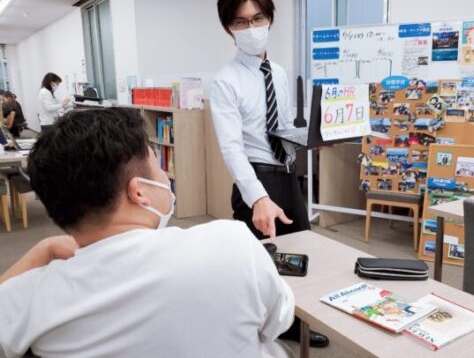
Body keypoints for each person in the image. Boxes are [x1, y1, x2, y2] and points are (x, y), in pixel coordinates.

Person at [0, 108, 295, 358]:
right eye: (158, 168)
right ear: (138, 191)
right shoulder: (232, 244)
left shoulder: (32, 297)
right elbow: (279, 321)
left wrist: (43, 249)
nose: (165, 177)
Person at [210, 0, 329, 348]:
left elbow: (281, 125)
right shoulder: (225, 81)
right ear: (229, 28)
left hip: (288, 174)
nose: (251, 28)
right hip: (257, 180)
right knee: (261, 265)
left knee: (301, 253)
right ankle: (257, 334)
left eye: (257, 18)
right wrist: (258, 197)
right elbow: (231, 148)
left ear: (270, 19)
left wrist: (312, 138)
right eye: (241, 21)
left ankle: (293, 322)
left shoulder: (278, 71)